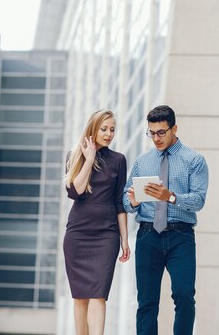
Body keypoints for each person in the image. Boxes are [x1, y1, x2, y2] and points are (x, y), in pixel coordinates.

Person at [123, 105, 209, 335]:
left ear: (174, 128)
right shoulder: (142, 162)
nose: (156, 138)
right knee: (146, 301)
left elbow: (199, 201)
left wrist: (169, 196)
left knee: (183, 295)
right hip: (147, 234)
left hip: (180, 235)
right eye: (152, 133)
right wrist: (133, 201)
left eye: (161, 132)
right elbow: (124, 200)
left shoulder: (194, 160)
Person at [63, 110, 130, 335]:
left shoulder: (119, 160)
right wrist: (89, 159)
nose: (109, 134)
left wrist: (125, 240)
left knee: (99, 295)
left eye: (112, 129)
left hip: (106, 235)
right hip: (78, 234)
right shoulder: (74, 155)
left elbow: (120, 202)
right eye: (104, 129)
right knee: (80, 297)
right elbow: (75, 191)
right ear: (93, 129)